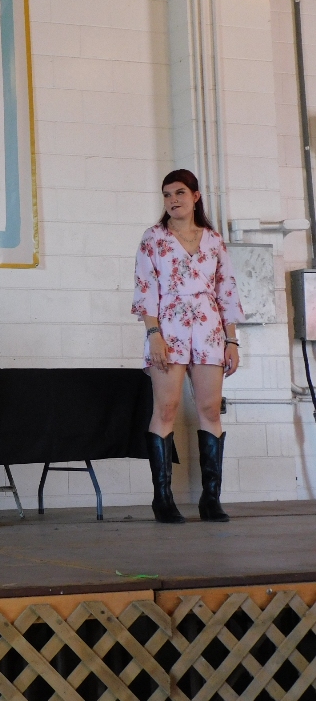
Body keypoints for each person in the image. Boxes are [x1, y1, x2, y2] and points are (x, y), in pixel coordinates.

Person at [132, 168, 243, 523]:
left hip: (210, 328)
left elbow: (226, 291)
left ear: (195, 196)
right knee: (166, 408)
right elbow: (145, 289)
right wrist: (154, 335)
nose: (172, 200)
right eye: (167, 194)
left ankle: (211, 498)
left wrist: (231, 340)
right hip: (169, 327)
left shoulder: (213, 240)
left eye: (179, 192)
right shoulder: (154, 238)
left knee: (210, 409)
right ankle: (162, 499)